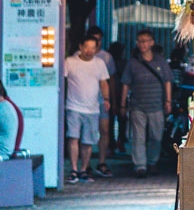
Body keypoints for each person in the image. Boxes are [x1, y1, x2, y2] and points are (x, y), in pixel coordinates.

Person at [121, 30, 173, 177]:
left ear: (152, 43)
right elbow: (125, 84)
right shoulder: (132, 63)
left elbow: (167, 81)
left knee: (156, 136)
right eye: (139, 41)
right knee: (138, 136)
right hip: (137, 105)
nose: (142, 44)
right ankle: (140, 165)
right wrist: (123, 104)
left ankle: (152, 162)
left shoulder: (160, 61)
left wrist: (168, 101)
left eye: (145, 41)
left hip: (157, 105)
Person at [63, 28, 112, 184]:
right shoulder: (70, 62)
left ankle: (83, 169)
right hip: (73, 107)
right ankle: (73, 169)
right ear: (80, 47)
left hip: (93, 108)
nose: (90, 51)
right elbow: (63, 81)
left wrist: (106, 98)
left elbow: (103, 82)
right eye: (87, 47)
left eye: (93, 47)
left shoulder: (100, 63)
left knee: (88, 141)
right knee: (73, 138)